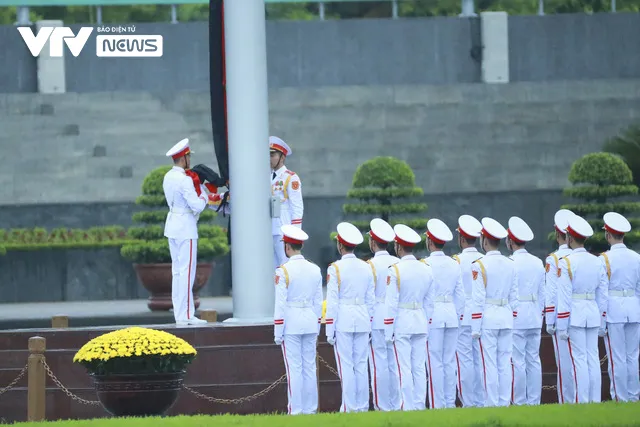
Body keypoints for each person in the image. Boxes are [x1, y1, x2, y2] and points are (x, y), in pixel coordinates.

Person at [163, 138, 218, 326]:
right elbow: (197, 205)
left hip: (172, 226)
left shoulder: (168, 177)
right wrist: (204, 194)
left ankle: (179, 314)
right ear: (184, 158)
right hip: (185, 227)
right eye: (188, 156)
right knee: (186, 272)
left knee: (177, 272)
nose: (190, 160)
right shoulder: (185, 179)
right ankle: (186, 315)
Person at [555, 214, 608, 404]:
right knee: (592, 358)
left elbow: (564, 296)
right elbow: (603, 295)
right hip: (592, 311)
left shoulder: (566, 262)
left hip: (575, 314)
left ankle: (582, 401)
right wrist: (602, 318)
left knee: (579, 359)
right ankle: (594, 400)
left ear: (569, 238)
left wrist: (561, 324)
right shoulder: (598, 261)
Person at [325, 222, 375, 412]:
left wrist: (330, 329)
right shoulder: (366, 267)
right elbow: (370, 300)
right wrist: (369, 322)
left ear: (340, 245)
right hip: (362, 318)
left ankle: (349, 406)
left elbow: (333, 302)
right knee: (361, 365)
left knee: (346, 365)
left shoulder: (335, 268)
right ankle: (362, 406)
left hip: (344, 319)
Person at [273, 224, 323, 415]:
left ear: (287, 247)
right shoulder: (314, 269)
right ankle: (310, 409)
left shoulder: (283, 271)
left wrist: (278, 331)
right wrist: (317, 324)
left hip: (291, 322)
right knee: (309, 367)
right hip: (310, 320)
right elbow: (318, 302)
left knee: (294, 368)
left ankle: (296, 410)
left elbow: (280, 304)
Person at [384, 224, 434, 411]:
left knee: (403, 367)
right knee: (419, 368)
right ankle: (419, 406)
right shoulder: (426, 268)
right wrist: (426, 322)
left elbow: (391, 304)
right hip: (420, 320)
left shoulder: (395, 270)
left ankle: (406, 406)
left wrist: (388, 330)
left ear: (398, 246)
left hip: (403, 321)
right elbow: (430, 303)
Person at [470, 217, 518, 407]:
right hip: (506, 316)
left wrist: (475, 326)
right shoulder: (510, 263)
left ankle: (491, 403)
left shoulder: (479, 264)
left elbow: (478, 298)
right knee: (504, 363)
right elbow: (514, 296)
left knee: (489, 364)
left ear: (484, 240)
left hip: (488, 317)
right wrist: (512, 316)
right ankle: (504, 403)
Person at [423, 218, 464, 409]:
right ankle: (449, 401)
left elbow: (425, 295)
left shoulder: (425, 264)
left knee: (435, 362)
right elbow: (460, 296)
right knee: (449, 361)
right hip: (451, 314)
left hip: (434, 315)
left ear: (430, 241)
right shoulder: (454, 263)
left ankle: (438, 404)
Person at [600, 212, 640, 402]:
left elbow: (602, 291)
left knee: (617, 358)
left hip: (614, 310)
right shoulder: (636, 257)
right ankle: (633, 397)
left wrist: (602, 316)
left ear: (608, 234)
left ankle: (620, 398)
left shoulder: (605, 259)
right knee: (632, 357)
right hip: (633, 309)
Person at [506, 216, 545, 406]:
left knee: (518, 361)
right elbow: (542, 293)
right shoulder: (538, 261)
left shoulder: (510, 262)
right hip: (534, 314)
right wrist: (539, 313)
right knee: (534, 360)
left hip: (517, 315)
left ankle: (520, 401)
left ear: (510, 241)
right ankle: (534, 401)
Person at [365, 218, 400, 411]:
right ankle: (396, 403)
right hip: (396, 317)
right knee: (394, 362)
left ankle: (382, 405)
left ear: (372, 242)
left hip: (378, 316)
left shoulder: (370, 265)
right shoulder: (397, 262)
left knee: (379, 363)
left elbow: (369, 297)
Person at [452, 214, 484, 408]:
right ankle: (481, 400)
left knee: (464, 361)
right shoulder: (484, 259)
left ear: (462, 239)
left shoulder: (456, 261)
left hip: (464, 315)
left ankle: (469, 402)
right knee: (480, 359)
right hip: (481, 314)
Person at [544, 208, 576, 404]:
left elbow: (551, 293)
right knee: (584, 361)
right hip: (582, 314)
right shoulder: (583, 257)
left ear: (558, 234)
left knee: (565, 363)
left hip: (562, 316)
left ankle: (567, 400)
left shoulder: (554, 259)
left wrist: (550, 320)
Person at [270, 136, 304, 270]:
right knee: (272, 271)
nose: (269, 158)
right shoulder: (265, 176)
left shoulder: (290, 177)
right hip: (268, 230)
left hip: (283, 230)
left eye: (273, 155)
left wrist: (295, 235)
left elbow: (297, 207)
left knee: (286, 268)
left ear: (282, 157)